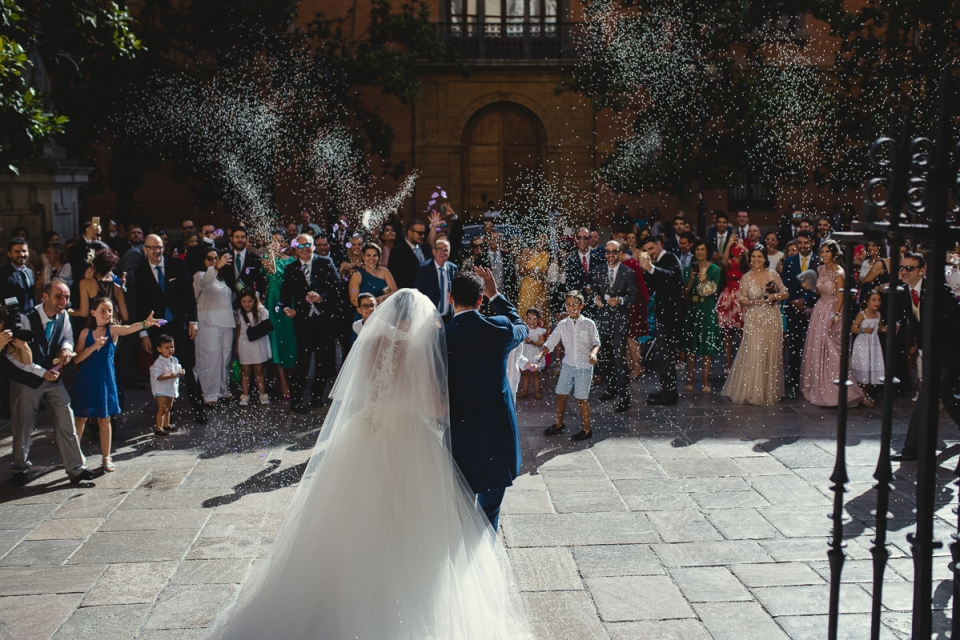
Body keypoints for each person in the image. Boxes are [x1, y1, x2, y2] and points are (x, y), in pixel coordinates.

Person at [207, 288, 533, 639]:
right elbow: (434, 408)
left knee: (347, 514)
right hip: (406, 435)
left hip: (364, 429)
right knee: (410, 519)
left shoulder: (372, 341)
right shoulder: (416, 349)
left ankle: (336, 594)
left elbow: (365, 389)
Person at [445, 268, 527, 531]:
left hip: (459, 430)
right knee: (490, 509)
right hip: (497, 431)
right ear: (480, 300)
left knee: (460, 504)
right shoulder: (499, 328)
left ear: (450, 298)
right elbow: (522, 327)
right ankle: (486, 559)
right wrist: (496, 295)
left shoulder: (439, 337)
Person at [5, 279, 96, 485]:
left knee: (66, 418)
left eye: (66, 297)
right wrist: (39, 372)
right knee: (23, 424)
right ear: (45, 297)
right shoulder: (25, 319)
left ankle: (76, 468)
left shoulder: (63, 315)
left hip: (53, 376)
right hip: (26, 379)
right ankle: (19, 467)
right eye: (58, 297)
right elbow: (13, 356)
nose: (63, 301)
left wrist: (65, 347)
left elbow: (68, 336)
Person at [71, 299, 160, 471]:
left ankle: (106, 458)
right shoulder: (85, 333)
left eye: (110, 311)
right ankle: (74, 456)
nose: (107, 314)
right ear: (93, 312)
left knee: (105, 420)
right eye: (102, 310)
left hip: (105, 380)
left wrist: (144, 324)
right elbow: (76, 358)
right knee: (81, 418)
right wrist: (93, 347)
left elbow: (128, 328)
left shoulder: (113, 330)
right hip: (87, 380)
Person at [134, 234, 207, 424]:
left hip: (179, 324)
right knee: (163, 371)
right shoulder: (140, 271)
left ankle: (199, 409)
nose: (157, 251)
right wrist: (143, 333)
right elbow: (138, 305)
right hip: (157, 328)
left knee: (189, 368)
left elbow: (188, 294)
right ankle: (166, 413)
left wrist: (193, 320)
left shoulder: (176, 265)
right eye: (152, 248)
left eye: (159, 247)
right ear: (145, 249)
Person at [280, 234, 340, 413]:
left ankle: (317, 397)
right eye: (301, 245)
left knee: (322, 361)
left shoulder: (326, 262)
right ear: (295, 248)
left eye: (308, 244)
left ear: (314, 246)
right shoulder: (291, 268)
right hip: (303, 322)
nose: (305, 248)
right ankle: (296, 400)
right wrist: (286, 310)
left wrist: (322, 296)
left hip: (323, 321)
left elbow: (337, 287)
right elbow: (284, 296)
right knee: (302, 361)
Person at [801, 239, 864, 407]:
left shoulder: (840, 273)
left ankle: (840, 391)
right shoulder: (820, 269)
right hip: (820, 308)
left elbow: (841, 297)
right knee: (818, 347)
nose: (824, 255)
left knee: (832, 350)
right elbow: (820, 290)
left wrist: (834, 316)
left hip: (834, 310)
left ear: (835, 254)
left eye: (827, 252)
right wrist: (811, 289)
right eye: (822, 252)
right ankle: (820, 388)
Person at [721, 248, 789, 406]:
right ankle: (752, 390)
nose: (756, 259)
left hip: (772, 316)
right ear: (750, 259)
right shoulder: (746, 277)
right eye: (753, 256)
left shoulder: (773, 274)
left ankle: (767, 390)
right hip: (754, 317)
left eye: (759, 256)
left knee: (769, 352)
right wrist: (754, 302)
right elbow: (742, 300)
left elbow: (785, 292)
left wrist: (775, 296)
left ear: (765, 259)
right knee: (755, 352)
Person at [540, 291, 600, 440]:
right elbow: (551, 342)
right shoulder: (562, 324)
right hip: (568, 364)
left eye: (574, 304)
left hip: (584, 366)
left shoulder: (588, 324)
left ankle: (587, 429)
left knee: (581, 398)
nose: (571, 307)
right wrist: (540, 354)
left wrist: (593, 354)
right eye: (568, 304)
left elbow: (596, 342)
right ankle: (559, 424)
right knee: (561, 395)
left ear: (582, 306)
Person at [590, 240, 637, 412]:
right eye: (607, 252)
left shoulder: (628, 272)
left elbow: (633, 296)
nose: (610, 255)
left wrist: (620, 300)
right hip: (602, 318)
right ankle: (610, 389)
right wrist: (596, 299)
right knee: (605, 356)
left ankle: (624, 398)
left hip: (620, 320)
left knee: (619, 358)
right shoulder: (598, 270)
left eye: (614, 252)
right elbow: (594, 291)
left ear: (619, 252)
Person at [637, 236, 684, 404]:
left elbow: (672, 277)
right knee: (663, 356)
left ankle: (670, 395)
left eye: (651, 248)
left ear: (659, 245)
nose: (649, 252)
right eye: (646, 250)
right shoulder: (657, 263)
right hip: (662, 314)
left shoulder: (670, 257)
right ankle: (667, 390)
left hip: (671, 316)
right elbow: (652, 286)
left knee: (666, 355)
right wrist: (646, 270)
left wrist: (650, 268)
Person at [194, 247, 235, 405]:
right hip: (208, 323)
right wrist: (216, 267)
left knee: (225, 358)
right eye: (210, 259)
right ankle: (209, 394)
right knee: (210, 358)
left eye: (216, 258)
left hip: (226, 322)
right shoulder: (200, 276)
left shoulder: (222, 279)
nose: (214, 261)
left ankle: (223, 390)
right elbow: (205, 284)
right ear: (204, 261)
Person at [682, 240, 722, 393]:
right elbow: (684, 292)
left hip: (707, 308)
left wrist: (706, 281)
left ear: (707, 251)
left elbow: (713, 291)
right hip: (692, 308)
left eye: (702, 249)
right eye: (697, 249)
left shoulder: (715, 269)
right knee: (691, 346)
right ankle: (690, 379)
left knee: (707, 346)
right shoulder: (688, 269)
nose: (699, 252)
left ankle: (706, 380)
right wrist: (692, 279)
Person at [781, 231, 818, 392]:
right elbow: (785, 284)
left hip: (814, 307)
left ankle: (812, 376)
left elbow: (820, 285)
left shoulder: (819, 261)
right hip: (793, 306)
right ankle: (794, 375)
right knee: (794, 344)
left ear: (812, 243)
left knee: (813, 343)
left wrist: (806, 300)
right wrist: (796, 301)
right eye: (800, 243)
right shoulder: (789, 261)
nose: (803, 246)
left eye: (806, 242)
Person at [262, 235, 297, 400]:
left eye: (280, 241)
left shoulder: (291, 260)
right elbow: (271, 270)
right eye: (274, 241)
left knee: (290, 341)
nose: (278, 243)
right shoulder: (266, 259)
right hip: (272, 302)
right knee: (275, 340)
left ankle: (290, 377)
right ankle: (282, 382)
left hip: (288, 301)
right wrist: (271, 252)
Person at [617, 243, 650, 379]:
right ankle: (631, 366)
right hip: (631, 303)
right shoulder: (627, 263)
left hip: (635, 304)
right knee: (627, 336)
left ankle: (638, 367)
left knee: (631, 336)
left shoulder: (630, 264)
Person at [235, 288, 272, 406]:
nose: (246, 304)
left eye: (249, 301)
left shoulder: (261, 311)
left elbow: (267, 326)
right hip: (244, 343)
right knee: (245, 371)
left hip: (258, 343)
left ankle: (263, 394)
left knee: (259, 370)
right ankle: (245, 396)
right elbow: (239, 328)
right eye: (244, 302)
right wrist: (236, 344)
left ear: (254, 300)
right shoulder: (240, 313)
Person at [717, 231, 746, 372]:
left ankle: (740, 363)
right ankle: (728, 363)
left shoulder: (746, 263)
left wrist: (743, 246)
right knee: (727, 332)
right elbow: (723, 262)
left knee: (741, 332)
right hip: (728, 297)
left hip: (741, 298)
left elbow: (753, 258)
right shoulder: (729, 262)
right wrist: (728, 244)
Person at [850, 290, 886, 407]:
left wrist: (890, 328)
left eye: (879, 300)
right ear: (867, 301)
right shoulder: (862, 314)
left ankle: (864, 393)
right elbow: (853, 328)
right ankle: (862, 395)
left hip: (874, 345)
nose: (877, 303)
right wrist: (863, 330)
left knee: (872, 370)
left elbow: (879, 328)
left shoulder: (878, 314)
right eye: (874, 300)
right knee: (864, 368)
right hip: (863, 345)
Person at [75, 248, 128, 322]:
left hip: (94, 328)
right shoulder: (117, 287)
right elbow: (125, 317)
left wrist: (72, 312)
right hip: (111, 328)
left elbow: (84, 313)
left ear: (93, 265)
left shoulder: (85, 283)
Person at [349, 243, 398, 318]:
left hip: (383, 313)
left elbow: (394, 291)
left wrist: (383, 298)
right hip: (364, 316)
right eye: (368, 255)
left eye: (375, 255)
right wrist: (369, 307)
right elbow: (353, 300)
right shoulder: (357, 275)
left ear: (379, 257)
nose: (372, 258)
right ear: (363, 257)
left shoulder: (385, 272)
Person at [414, 238, 457, 323]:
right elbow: (417, 294)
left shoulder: (453, 268)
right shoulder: (423, 268)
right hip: (428, 318)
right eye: (439, 249)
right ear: (433, 251)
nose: (442, 252)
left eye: (446, 250)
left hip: (448, 318)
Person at [149, 334, 184, 437]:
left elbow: (178, 368)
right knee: (162, 408)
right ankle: (158, 428)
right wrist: (171, 375)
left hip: (171, 388)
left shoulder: (174, 360)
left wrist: (181, 371)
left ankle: (166, 424)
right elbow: (158, 376)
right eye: (167, 347)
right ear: (159, 349)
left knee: (169, 407)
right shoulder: (158, 363)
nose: (170, 350)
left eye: (172, 347)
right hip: (162, 390)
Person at [563, 227, 602, 314]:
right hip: (578, 306)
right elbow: (569, 285)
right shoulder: (570, 260)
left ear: (589, 239)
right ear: (576, 239)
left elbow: (603, 281)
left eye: (585, 237)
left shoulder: (599, 258)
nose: (582, 240)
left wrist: (593, 292)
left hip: (597, 305)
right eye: (579, 237)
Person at [474, 230, 519, 304]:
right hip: (487, 297)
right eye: (491, 238)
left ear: (500, 241)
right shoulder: (480, 257)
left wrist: (513, 297)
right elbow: (477, 278)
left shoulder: (507, 256)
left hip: (504, 295)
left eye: (496, 238)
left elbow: (512, 278)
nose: (493, 240)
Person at [389, 219, 433, 290]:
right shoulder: (397, 251)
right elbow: (396, 277)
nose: (423, 236)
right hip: (409, 294)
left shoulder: (426, 248)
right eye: (420, 233)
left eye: (424, 233)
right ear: (409, 232)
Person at [517, 234, 551, 321]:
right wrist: (529, 272)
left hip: (540, 287)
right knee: (526, 311)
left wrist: (541, 276)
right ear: (536, 240)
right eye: (540, 240)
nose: (542, 243)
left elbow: (548, 276)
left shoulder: (547, 255)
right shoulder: (527, 251)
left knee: (539, 313)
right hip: (527, 287)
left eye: (544, 241)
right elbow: (520, 271)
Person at [516, 307, 547, 400]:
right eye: (529, 318)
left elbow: (542, 342)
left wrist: (532, 342)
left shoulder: (540, 330)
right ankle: (525, 391)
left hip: (535, 354)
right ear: (526, 319)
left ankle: (537, 391)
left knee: (536, 373)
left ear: (538, 319)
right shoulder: (524, 328)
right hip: (526, 353)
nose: (532, 321)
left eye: (534, 319)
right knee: (526, 373)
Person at [0, 237, 37, 313]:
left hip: (31, 316)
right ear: (9, 254)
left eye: (24, 251)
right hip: (12, 319)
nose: (22, 254)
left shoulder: (30, 272)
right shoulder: (3, 274)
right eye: (17, 252)